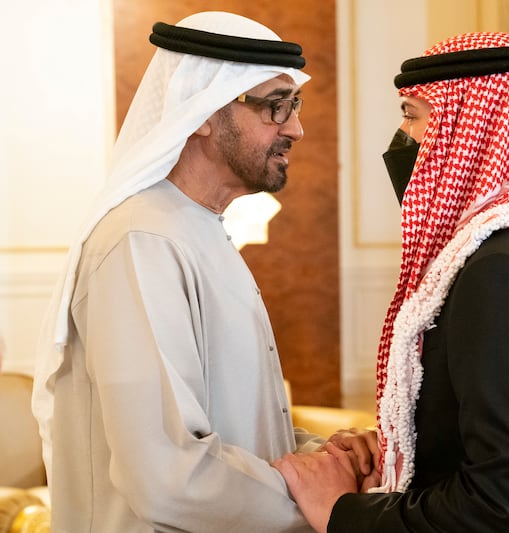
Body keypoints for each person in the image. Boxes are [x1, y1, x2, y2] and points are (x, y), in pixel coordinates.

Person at [274, 32, 509, 532]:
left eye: (412, 115)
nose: (402, 136)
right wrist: (405, 445)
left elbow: (502, 506)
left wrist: (341, 511)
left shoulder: (503, 272)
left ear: (473, 129)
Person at [30, 12, 328, 532]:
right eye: (276, 107)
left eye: (295, 105)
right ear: (204, 112)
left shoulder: (197, 229)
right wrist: (324, 505)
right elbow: (168, 476)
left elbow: (233, 427)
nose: (296, 129)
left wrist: (326, 459)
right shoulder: (142, 241)